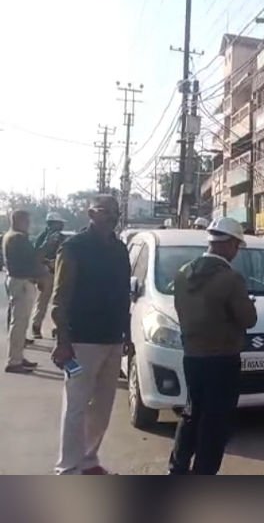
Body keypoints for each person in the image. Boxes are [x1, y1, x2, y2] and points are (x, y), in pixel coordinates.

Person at [168, 216, 257, 475]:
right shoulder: (230, 279)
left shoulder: (183, 273)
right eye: (237, 246)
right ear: (228, 244)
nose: (236, 251)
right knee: (215, 421)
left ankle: (177, 469)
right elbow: (248, 319)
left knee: (192, 413)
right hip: (223, 359)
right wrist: (247, 304)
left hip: (192, 356)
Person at [51, 195, 132, 474]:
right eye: (105, 211)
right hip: (81, 340)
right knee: (76, 406)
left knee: (102, 408)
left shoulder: (120, 249)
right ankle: (68, 468)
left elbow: (124, 294)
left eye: (115, 211)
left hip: (113, 337)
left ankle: (88, 459)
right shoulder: (73, 247)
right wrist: (62, 340)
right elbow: (60, 297)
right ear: (91, 214)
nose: (112, 216)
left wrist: (127, 335)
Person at [2, 210, 46, 374]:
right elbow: (32, 259)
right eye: (27, 221)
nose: (29, 224)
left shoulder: (10, 236)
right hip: (22, 281)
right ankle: (14, 361)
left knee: (20, 322)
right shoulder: (18, 238)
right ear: (19, 220)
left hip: (17, 280)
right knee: (19, 323)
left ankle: (18, 356)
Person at [30, 212, 66, 340]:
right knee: (43, 301)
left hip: (59, 272)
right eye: (59, 223)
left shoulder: (61, 238)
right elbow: (36, 255)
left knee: (59, 302)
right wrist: (47, 263)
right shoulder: (43, 238)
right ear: (52, 223)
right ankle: (36, 326)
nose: (61, 225)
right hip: (46, 273)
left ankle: (58, 328)